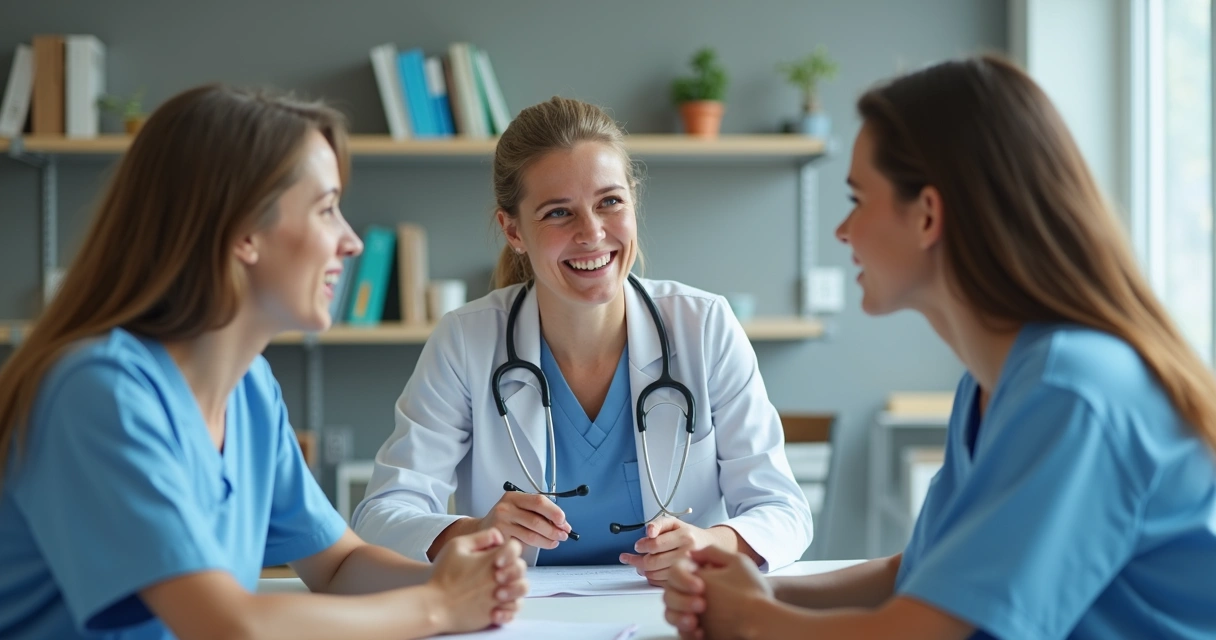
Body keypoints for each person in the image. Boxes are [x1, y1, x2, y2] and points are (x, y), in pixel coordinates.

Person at [662, 54, 1216, 639]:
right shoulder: (993, 384)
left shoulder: (1072, 391)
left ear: (927, 214)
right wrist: (759, 591)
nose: (842, 232)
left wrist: (753, 617)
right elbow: (919, 577)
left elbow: (923, 631)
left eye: (857, 199)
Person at [0, 85, 528, 640]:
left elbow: (339, 565)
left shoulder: (248, 388)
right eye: (326, 209)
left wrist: (449, 576)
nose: (349, 242)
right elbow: (228, 626)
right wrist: (440, 606)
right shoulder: (98, 392)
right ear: (243, 232)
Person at [352, 96, 812, 581]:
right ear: (513, 230)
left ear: (633, 200)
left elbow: (783, 510)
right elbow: (382, 513)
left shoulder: (705, 327)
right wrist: (476, 531)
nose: (592, 233)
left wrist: (708, 543)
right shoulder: (466, 341)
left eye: (609, 202)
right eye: (557, 213)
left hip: (672, 611)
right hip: (518, 617)